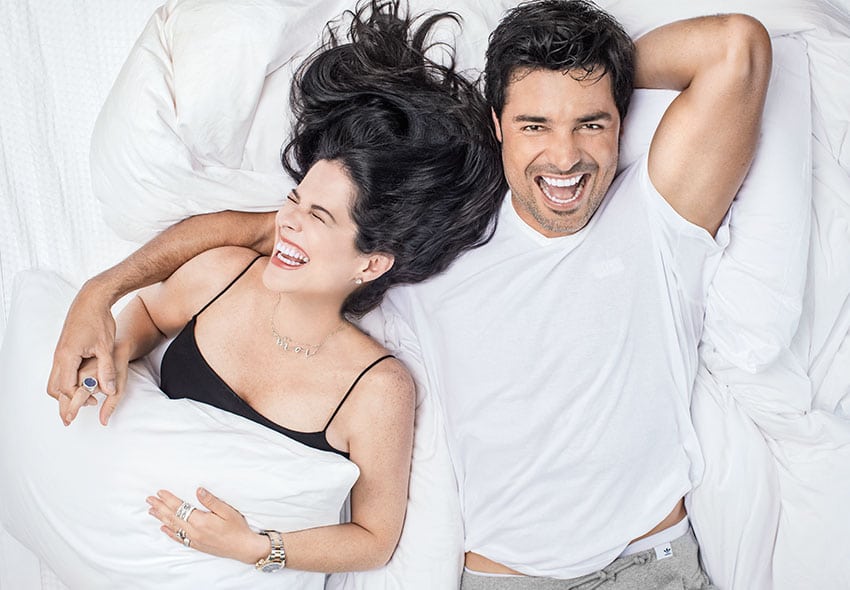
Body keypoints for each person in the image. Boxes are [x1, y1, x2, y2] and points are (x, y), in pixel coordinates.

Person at [48, 0, 772, 587]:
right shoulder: (434, 238)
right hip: (507, 580)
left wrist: (586, 78)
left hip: (653, 565)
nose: (564, 156)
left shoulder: (658, 218)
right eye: (534, 124)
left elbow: (737, 46)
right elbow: (263, 233)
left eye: (592, 123)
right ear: (498, 125)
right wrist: (100, 293)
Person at [44, 0, 505, 578]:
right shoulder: (223, 275)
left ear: (371, 263)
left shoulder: (378, 390)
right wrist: (112, 351)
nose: (287, 222)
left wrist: (258, 547)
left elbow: (375, 539)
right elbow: (150, 319)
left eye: (318, 216)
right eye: (294, 199)